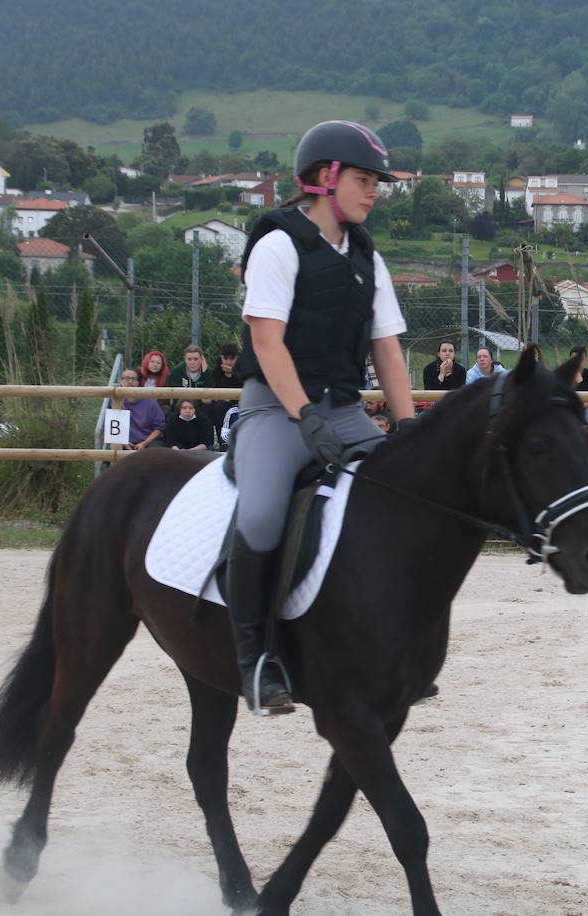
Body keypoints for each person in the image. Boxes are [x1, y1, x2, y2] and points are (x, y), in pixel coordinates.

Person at [228, 119, 414, 714]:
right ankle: (255, 661)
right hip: (277, 413)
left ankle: (395, 647)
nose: (374, 191)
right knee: (259, 517)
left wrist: (406, 428)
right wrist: (303, 414)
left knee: (404, 500)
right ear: (326, 179)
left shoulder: (367, 257)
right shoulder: (279, 244)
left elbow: (386, 348)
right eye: (364, 180)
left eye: (376, 182)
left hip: (345, 412)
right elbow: (267, 342)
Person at [118, 368, 165, 449]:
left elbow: (159, 427)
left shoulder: (150, 401)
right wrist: (123, 442)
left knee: (157, 451)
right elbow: (109, 427)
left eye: (133, 379)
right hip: (123, 441)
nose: (130, 381)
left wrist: (144, 443)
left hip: (148, 441)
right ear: (121, 381)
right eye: (126, 378)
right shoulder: (115, 401)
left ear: (138, 382)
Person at [208, 342, 243, 438]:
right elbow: (216, 386)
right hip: (222, 402)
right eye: (225, 358)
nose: (228, 362)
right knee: (218, 407)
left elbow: (244, 384)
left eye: (232, 359)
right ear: (221, 357)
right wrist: (227, 376)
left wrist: (233, 373)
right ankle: (222, 440)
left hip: (240, 400)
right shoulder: (217, 370)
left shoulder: (244, 366)